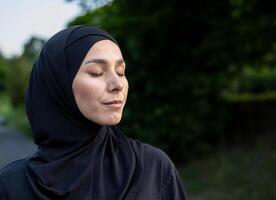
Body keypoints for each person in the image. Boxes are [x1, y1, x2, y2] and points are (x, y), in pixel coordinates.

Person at [0, 25, 188, 200]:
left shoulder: (154, 168)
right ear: (58, 86)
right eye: (97, 72)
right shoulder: (11, 186)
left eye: (121, 71)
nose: (118, 84)